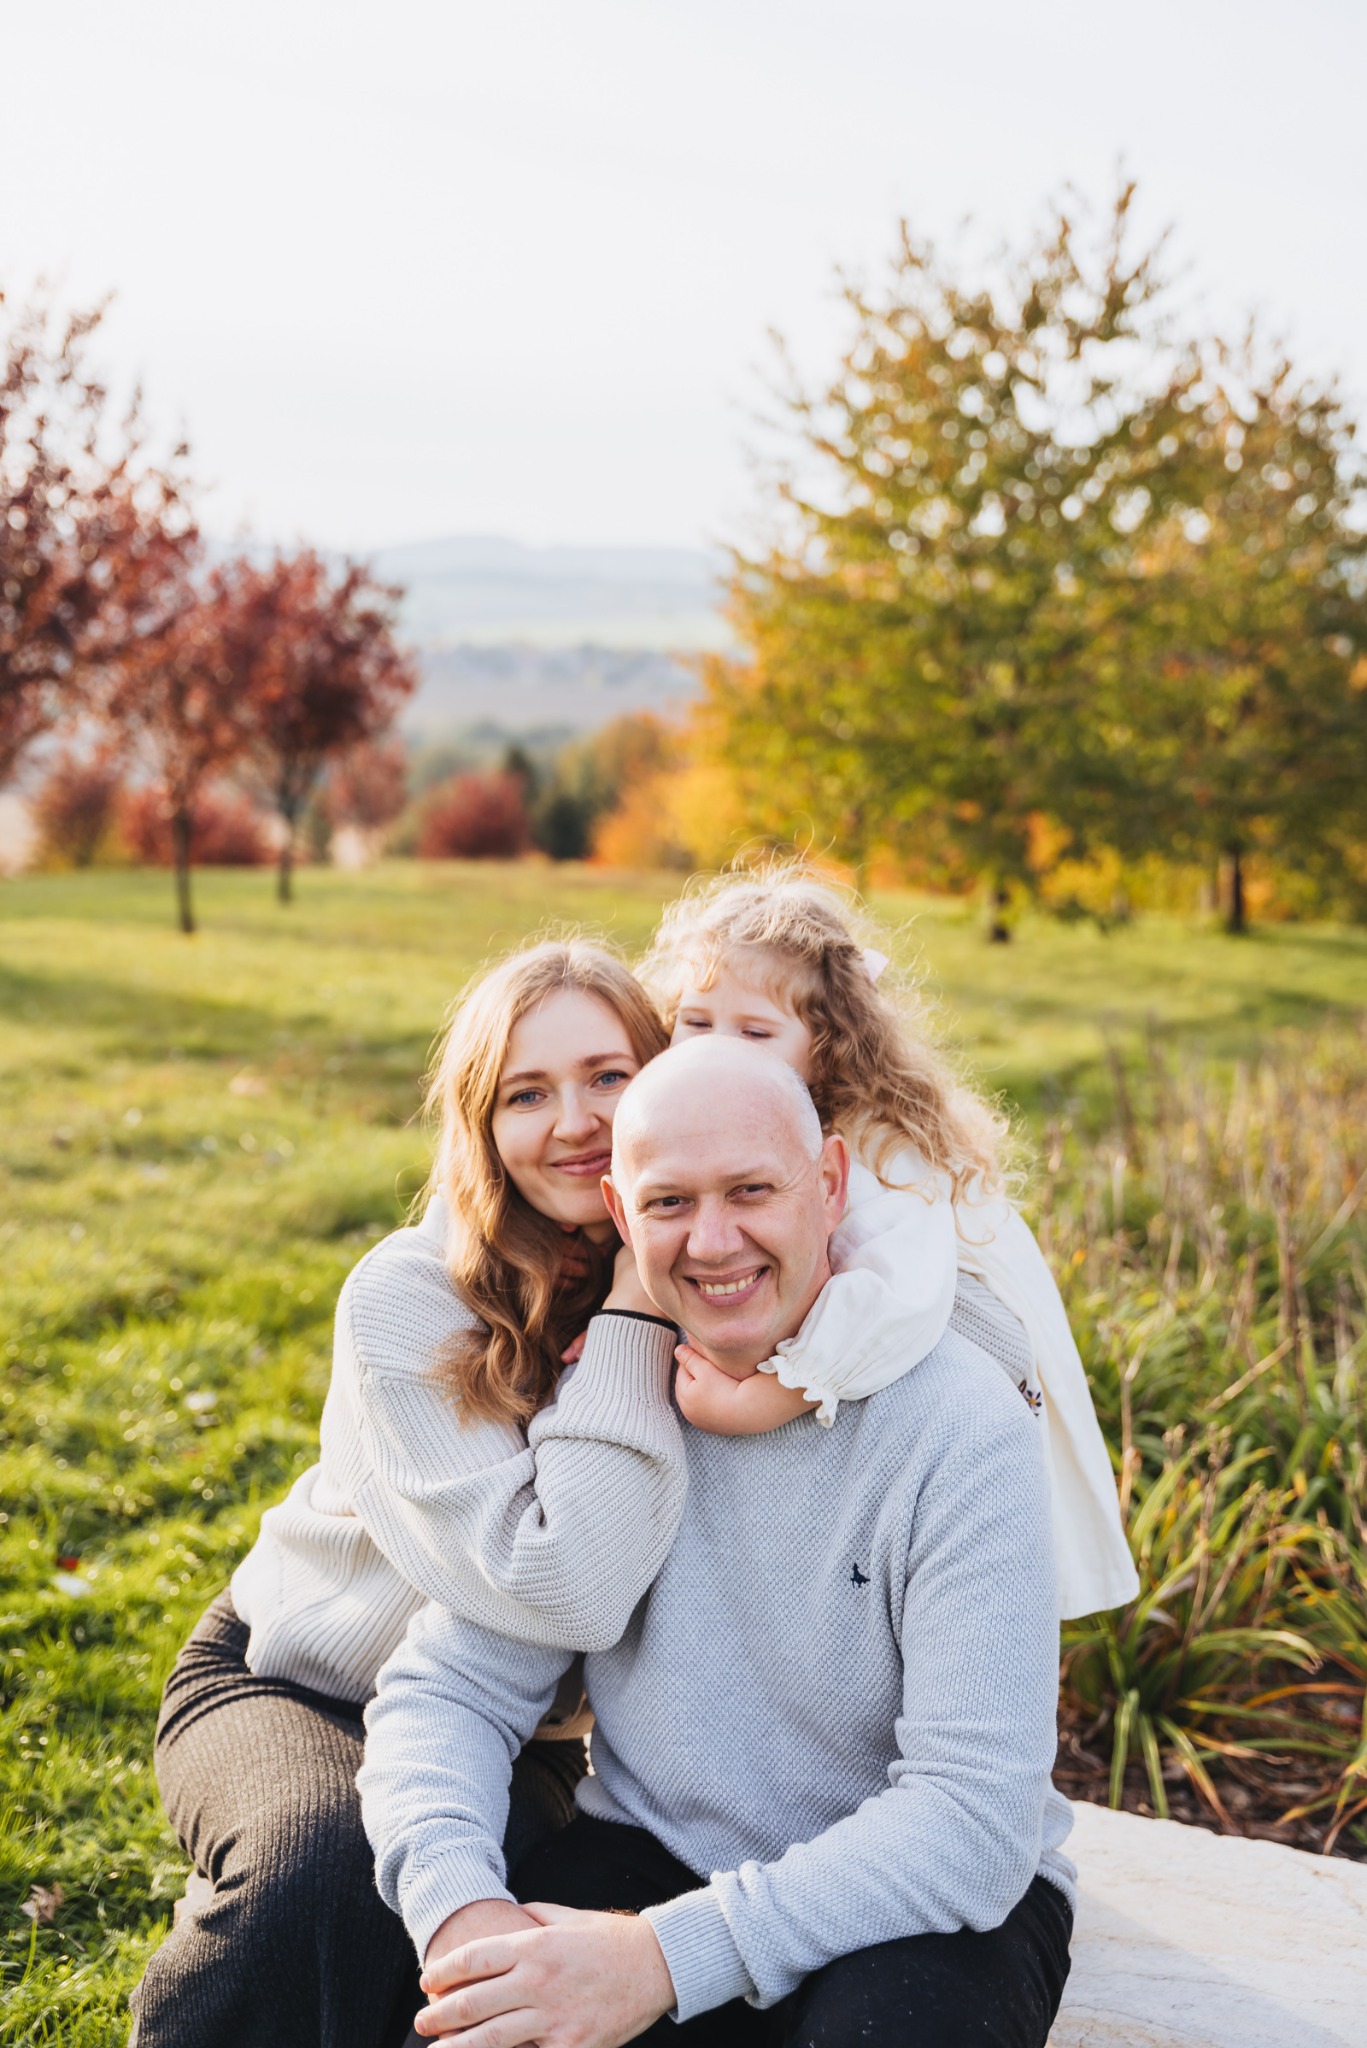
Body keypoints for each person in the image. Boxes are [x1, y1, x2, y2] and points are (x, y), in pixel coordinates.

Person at [360, 1036, 1075, 2048]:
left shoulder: (959, 1421)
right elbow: (447, 1689)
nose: (711, 1240)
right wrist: (461, 1911)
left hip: (925, 1897)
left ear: (827, 1184)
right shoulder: (610, 1417)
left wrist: (665, 1958)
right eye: (667, 1203)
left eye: (750, 1189)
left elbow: (970, 1818)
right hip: (655, 1852)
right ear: (617, 1213)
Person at [130, 941, 688, 2048]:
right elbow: (560, 1584)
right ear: (481, 1122)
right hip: (296, 1679)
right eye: (527, 1092)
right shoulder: (407, 1294)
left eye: (607, 1074)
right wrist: (633, 1311)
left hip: (515, 1728)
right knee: (323, 1869)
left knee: (483, 1939)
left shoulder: (701, 1265)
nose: (573, 1118)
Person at [642, 869, 1137, 1620]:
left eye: (754, 1031)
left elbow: (898, 1301)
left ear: (825, 1047)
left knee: (972, 1603)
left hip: (975, 1388)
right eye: (696, 1021)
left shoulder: (879, 1152)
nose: (719, 1048)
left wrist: (768, 1397)